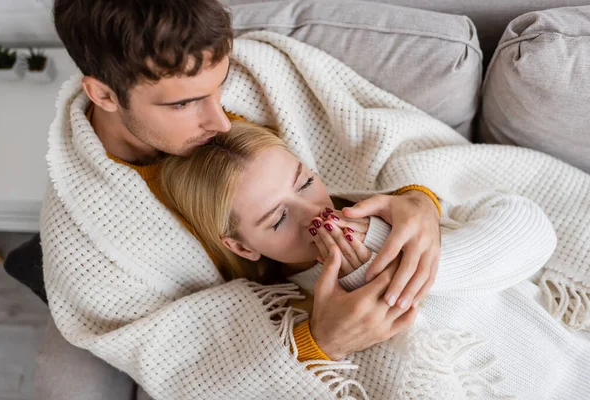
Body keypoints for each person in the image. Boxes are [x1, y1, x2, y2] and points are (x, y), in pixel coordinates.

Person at [41, 1, 444, 398]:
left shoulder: (257, 77)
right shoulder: (84, 239)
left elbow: (392, 141)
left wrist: (419, 199)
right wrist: (318, 345)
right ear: (103, 94)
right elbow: (175, 365)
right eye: (184, 103)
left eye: (219, 85)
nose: (219, 120)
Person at [160, 120, 590, 399]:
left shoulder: (388, 204)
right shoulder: (274, 319)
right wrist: (324, 343)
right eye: (278, 219)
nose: (316, 215)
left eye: (306, 181)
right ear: (242, 247)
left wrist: (402, 265)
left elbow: (533, 232)